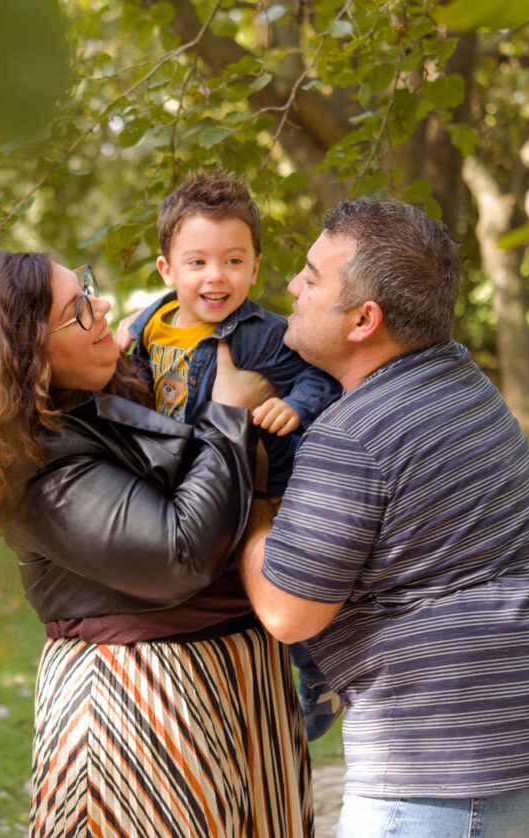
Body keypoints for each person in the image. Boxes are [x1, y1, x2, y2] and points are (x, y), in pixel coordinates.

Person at [0, 251, 313, 837]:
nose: (103, 304)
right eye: (78, 309)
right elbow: (177, 554)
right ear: (26, 355)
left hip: (231, 681)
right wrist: (226, 415)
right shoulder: (34, 463)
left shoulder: (93, 399)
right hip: (145, 709)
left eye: (87, 286)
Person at [237, 200, 529, 837]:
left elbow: (287, 612)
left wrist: (254, 510)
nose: (292, 287)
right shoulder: (467, 383)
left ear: (364, 319)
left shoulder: (353, 434)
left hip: (455, 763)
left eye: (311, 276)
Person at [125, 170, 344, 740]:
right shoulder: (150, 324)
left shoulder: (263, 335)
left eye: (233, 261)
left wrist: (295, 405)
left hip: (261, 479)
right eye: (197, 262)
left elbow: (318, 374)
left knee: (281, 582)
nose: (215, 278)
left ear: (255, 264)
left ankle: (317, 674)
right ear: (167, 270)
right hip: (184, 471)